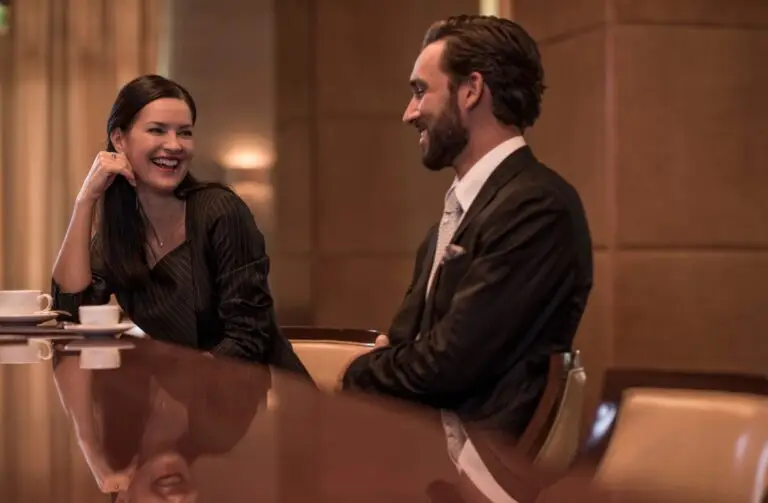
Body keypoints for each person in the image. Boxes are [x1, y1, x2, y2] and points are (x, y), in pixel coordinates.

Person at [341, 15, 593, 500]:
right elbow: (405, 341)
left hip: (479, 477)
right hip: (425, 461)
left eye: (420, 90)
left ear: (471, 90)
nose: (409, 112)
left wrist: (353, 373)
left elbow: (446, 364)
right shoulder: (463, 211)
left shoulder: (537, 206)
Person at [51, 74, 308, 373]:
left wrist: (179, 386)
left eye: (184, 133)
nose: (174, 145)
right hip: (186, 401)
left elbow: (248, 338)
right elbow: (69, 316)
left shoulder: (220, 210)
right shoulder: (121, 230)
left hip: (262, 398)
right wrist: (85, 200)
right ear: (119, 140)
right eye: (157, 130)